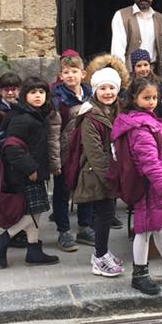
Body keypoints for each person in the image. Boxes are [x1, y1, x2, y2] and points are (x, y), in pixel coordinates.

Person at [112, 78, 162, 296]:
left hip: (155, 186)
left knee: (160, 227)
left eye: (154, 98)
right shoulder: (140, 127)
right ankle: (139, 275)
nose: (151, 102)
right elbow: (150, 164)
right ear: (134, 99)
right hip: (150, 188)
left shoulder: (149, 121)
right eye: (146, 98)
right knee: (145, 231)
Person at [0, 76, 60, 268]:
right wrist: (31, 168)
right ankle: (4, 238)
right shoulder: (23, 117)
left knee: (35, 213)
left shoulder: (36, 114)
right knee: (32, 212)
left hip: (35, 172)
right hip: (27, 174)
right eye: (32, 92)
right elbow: (12, 148)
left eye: (41, 92)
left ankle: (33, 250)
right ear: (24, 95)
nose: (38, 96)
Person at [74, 61, 128, 277]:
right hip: (97, 174)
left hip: (109, 172)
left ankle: (102, 252)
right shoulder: (90, 115)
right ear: (95, 90)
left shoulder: (114, 110)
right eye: (103, 88)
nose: (108, 92)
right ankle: (99, 258)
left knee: (106, 213)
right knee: (103, 214)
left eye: (111, 88)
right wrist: (110, 177)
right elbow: (94, 152)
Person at [50, 50, 94, 251]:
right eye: (66, 72)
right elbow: (53, 131)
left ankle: (85, 226)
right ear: (60, 76)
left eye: (74, 71)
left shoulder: (90, 93)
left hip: (86, 151)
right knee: (62, 191)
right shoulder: (57, 98)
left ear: (83, 74)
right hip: (65, 151)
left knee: (85, 189)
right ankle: (64, 231)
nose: (70, 76)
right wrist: (55, 160)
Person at [0, 71, 30, 249]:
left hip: (20, 161)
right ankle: (13, 232)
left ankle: (19, 232)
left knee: (21, 198)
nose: (10, 93)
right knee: (9, 199)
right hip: (5, 163)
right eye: (6, 89)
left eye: (14, 89)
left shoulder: (23, 107)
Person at [110, 0, 162, 86]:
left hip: (153, 75)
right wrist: (123, 82)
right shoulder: (121, 15)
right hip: (130, 76)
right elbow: (117, 52)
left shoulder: (159, 18)